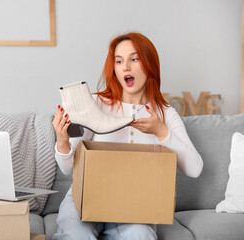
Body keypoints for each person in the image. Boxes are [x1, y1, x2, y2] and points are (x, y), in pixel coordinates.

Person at [51, 32, 204, 240]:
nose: (126, 67)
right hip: (85, 197)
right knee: (75, 235)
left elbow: (195, 169)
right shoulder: (95, 104)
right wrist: (62, 140)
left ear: (149, 64)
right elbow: (68, 168)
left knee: (141, 236)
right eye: (119, 61)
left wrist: (161, 131)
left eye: (134, 59)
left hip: (135, 206)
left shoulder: (164, 113)